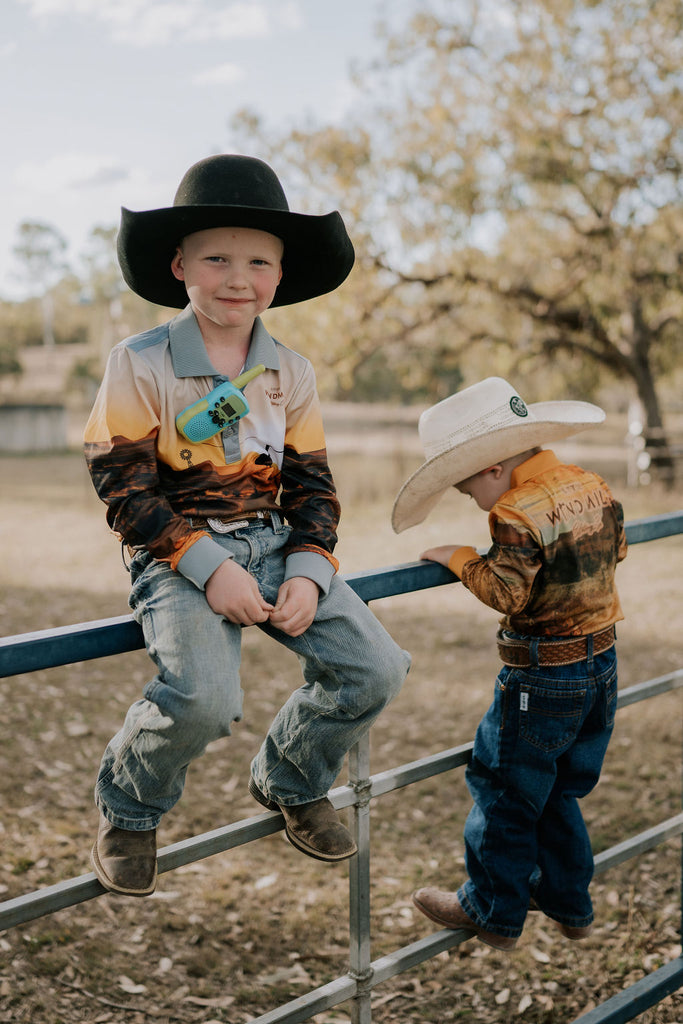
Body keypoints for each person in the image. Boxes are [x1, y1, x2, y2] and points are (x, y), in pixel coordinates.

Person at [83, 154, 410, 897]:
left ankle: (290, 779)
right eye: (216, 257)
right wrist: (208, 567)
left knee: (376, 670)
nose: (238, 276)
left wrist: (308, 567)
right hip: (178, 552)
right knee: (204, 698)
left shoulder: (289, 372)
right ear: (178, 266)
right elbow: (123, 488)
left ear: (280, 273)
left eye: (258, 261)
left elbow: (312, 484)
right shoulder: (139, 364)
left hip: (276, 544)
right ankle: (129, 808)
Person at [391, 376, 627, 950]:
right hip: (601, 665)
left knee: (503, 786)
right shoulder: (592, 485)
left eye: (466, 486)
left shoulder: (514, 513)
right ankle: (570, 903)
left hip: (543, 677)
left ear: (493, 468)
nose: (469, 499)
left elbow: (507, 594)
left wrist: (459, 555)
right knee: (561, 789)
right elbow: (616, 549)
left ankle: (491, 909)